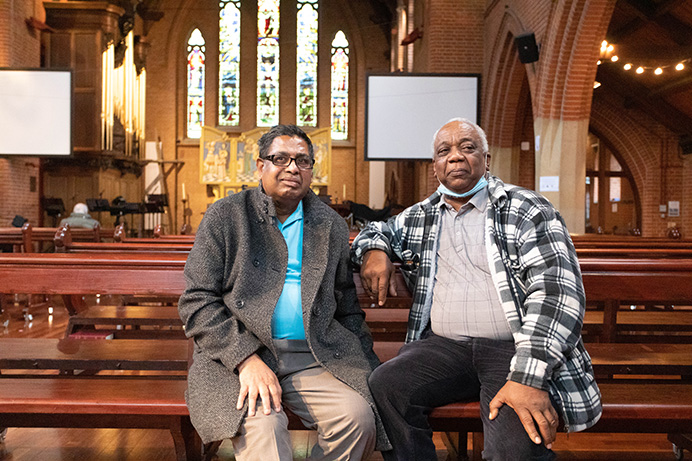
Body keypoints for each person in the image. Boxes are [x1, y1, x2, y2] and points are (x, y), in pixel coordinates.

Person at [351, 118, 601, 460]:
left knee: (514, 450)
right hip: (445, 348)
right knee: (387, 385)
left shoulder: (526, 209)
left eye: (467, 148)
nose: (456, 157)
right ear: (435, 167)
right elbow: (374, 230)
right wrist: (375, 251)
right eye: (445, 151)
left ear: (487, 159)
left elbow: (557, 296)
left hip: (511, 350)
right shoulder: (418, 217)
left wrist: (528, 377)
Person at [178, 124, 389, 460]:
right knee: (265, 433)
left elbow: (347, 306)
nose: (293, 168)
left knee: (358, 420)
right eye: (281, 158)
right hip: (242, 356)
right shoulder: (227, 216)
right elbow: (197, 301)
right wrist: (245, 358)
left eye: (303, 161)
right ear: (260, 165)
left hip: (315, 356)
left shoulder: (330, 225)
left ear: (311, 171)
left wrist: (362, 361)